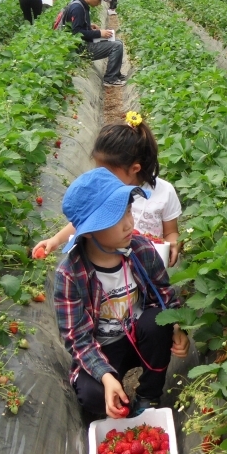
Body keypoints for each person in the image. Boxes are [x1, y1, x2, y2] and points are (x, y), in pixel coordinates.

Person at [54, 167, 190, 419]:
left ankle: (149, 395)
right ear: (90, 230)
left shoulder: (140, 249)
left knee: (157, 322)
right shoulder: (70, 274)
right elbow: (78, 340)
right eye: (117, 218)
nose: (129, 223)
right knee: (92, 398)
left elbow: (164, 293)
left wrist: (178, 327)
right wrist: (105, 377)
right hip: (102, 348)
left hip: (139, 337)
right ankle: (114, 400)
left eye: (128, 211)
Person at [34, 112, 182, 267]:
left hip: (148, 264)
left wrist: (172, 243)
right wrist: (56, 240)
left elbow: (171, 231)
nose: (100, 176)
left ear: (135, 168)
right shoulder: (103, 188)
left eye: (107, 171)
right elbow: (87, 220)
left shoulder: (165, 192)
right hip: (108, 262)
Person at [61, 0, 126, 87]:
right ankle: (110, 79)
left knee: (117, 42)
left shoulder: (79, 3)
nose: (99, 3)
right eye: (99, 0)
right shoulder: (78, 8)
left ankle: (115, 74)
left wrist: (89, 26)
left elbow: (77, 26)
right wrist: (98, 33)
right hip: (80, 49)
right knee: (116, 46)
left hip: (82, 43)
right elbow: (76, 32)